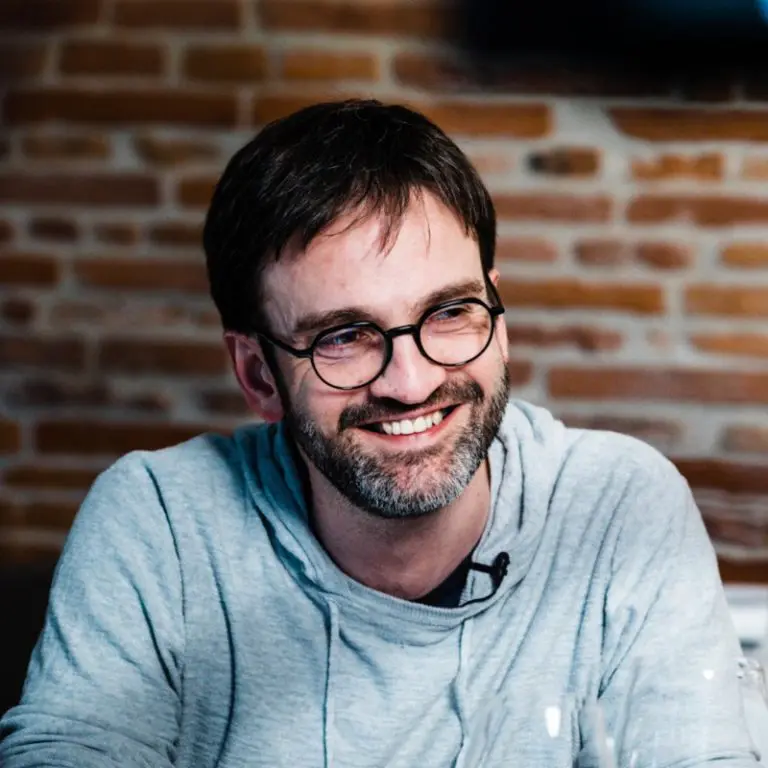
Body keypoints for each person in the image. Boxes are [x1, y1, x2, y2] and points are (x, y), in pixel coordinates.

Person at [0, 99, 758, 768]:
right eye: (344, 336)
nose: (411, 382)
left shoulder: (619, 506)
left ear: (498, 321)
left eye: (449, 312)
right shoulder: (159, 522)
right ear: (259, 375)